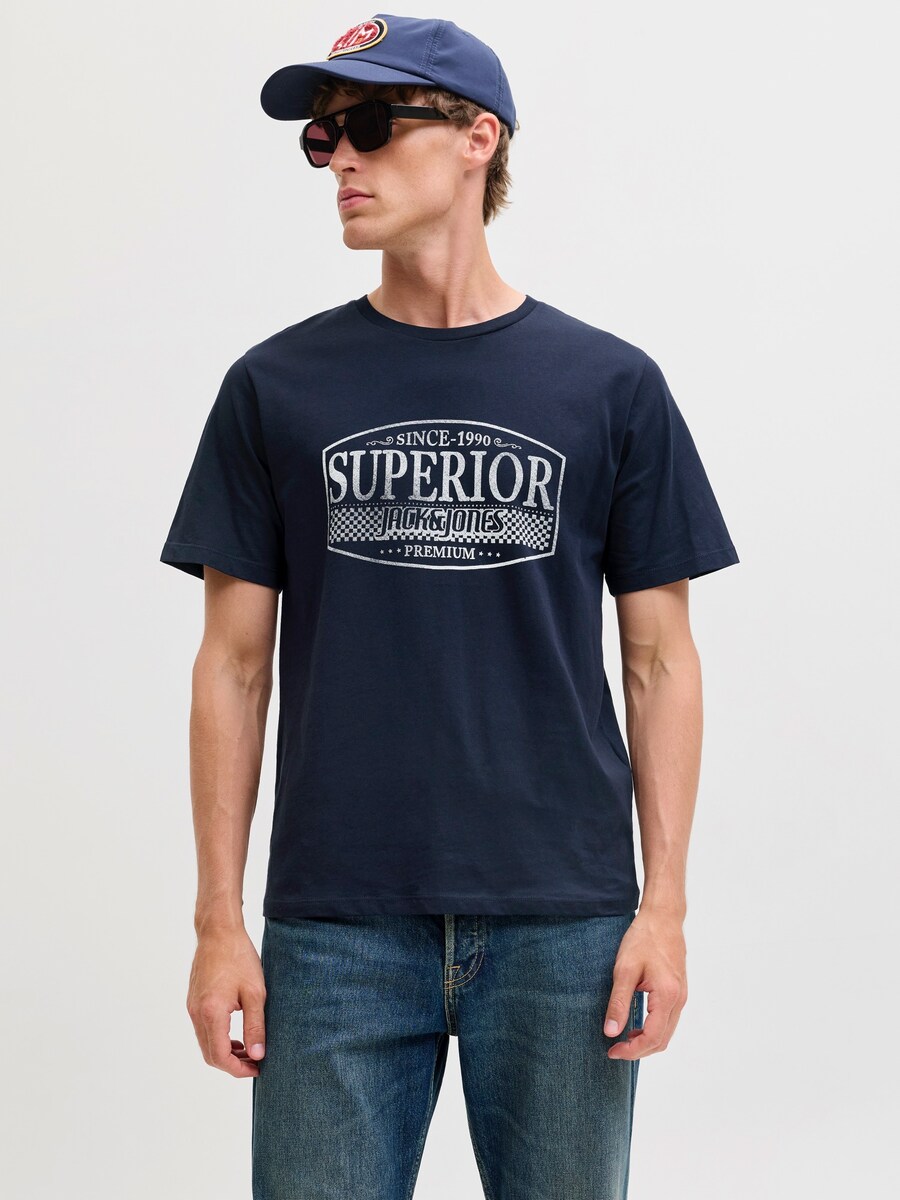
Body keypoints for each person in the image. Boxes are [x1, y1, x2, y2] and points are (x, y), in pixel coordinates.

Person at [160, 13, 740, 1199]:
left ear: (480, 138)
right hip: (335, 927)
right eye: (321, 137)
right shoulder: (274, 387)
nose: (339, 157)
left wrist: (665, 909)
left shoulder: (610, 386)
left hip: (565, 921)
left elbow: (660, 662)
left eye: (370, 124)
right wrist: (219, 921)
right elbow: (231, 665)